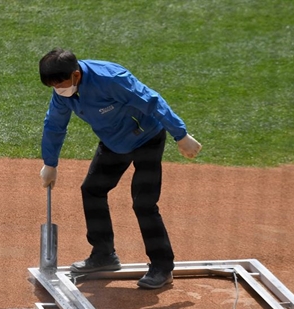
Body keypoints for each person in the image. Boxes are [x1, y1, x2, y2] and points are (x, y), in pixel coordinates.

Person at [38, 48, 201, 289]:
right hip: (113, 143)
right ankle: (104, 255)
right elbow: (54, 125)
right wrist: (50, 163)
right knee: (92, 190)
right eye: (52, 85)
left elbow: (151, 101)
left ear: (76, 75)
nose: (58, 89)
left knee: (144, 203)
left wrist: (181, 134)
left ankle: (162, 267)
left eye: (60, 83)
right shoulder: (63, 91)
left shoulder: (111, 79)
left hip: (147, 139)